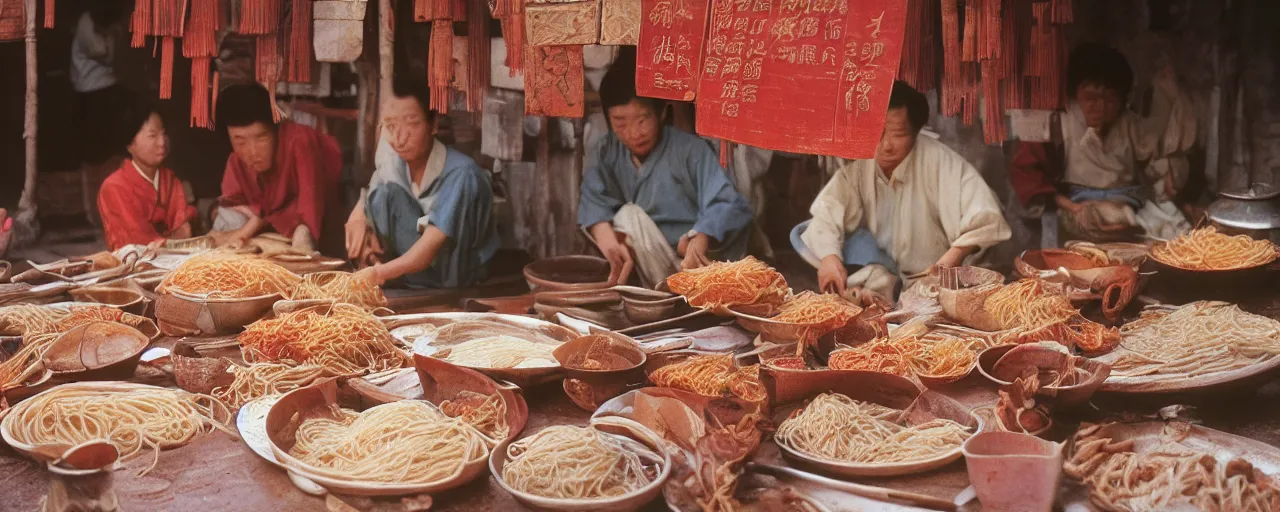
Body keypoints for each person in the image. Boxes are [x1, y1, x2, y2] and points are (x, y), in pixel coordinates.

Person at [792, 81, 1011, 303]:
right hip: (886, 280)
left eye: (897, 134)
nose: (885, 145)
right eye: (878, 132)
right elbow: (825, 214)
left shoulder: (939, 161)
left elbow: (985, 216)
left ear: (916, 133)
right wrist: (830, 259)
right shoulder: (861, 166)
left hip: (937, 287)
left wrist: (950, 260)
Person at [579, 59, 754, 288]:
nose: (633, 133)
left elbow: (726, 203)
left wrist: (700, 237)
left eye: (643, 120)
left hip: (690, 267)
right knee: (624, 217)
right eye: (620, 124)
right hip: (639, 271)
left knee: (629, 214)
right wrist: (612, 248)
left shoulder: (691, 151)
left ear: (662, 113)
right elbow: (593, 203)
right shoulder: (605, 150)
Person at [1009, 43, 1192, 242]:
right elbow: (1032, 176)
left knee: (1172, 231)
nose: (1101, 107)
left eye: (1110, 99)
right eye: (1091, 98)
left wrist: (1168, 177)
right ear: (1074, 96)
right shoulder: (1063, 122)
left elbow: (1155, 159)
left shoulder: (1129, 124)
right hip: (1078, 206)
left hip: (1128, 203)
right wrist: (1073, 208)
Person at [348, 78, 499, 288]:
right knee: (383, 193)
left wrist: (376, 274)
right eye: (391, 126)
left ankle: (400, 276)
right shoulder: (396, 164)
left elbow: (430, 248)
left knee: (385, 193)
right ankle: (393, 271)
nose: (399, 139)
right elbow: (373, 193)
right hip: (417, 262)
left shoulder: (462, 174)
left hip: (455, 273)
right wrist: (360, 219)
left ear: (433, 124)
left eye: (412, 123)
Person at [210, 83, 344, 255]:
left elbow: (310, 211)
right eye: (240, 142)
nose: (252, 152)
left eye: (261, 138)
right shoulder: (236, 161)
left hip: (312, 238)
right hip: (261, 242)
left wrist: (258, 221)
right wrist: (251, 219)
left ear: (276, 128)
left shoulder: (299, 141)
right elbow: (230, 203)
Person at [97, 104, 196, 250]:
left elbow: (185, 230)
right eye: (152, 136)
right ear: (130, 144)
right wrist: (171, 240)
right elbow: (135, 242)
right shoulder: (114, 187)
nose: (162, 143)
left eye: (163, 134)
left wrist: (173, 239)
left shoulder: (170, 179)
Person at [72, 1, 129, 225]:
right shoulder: (87, 20)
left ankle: (115, 208)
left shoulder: (106, 22)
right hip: (90, 90)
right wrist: (112, 35)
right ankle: (94, 211)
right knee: (94, 154)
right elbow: (102, 51)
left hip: (106, 88)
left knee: (113, 151)